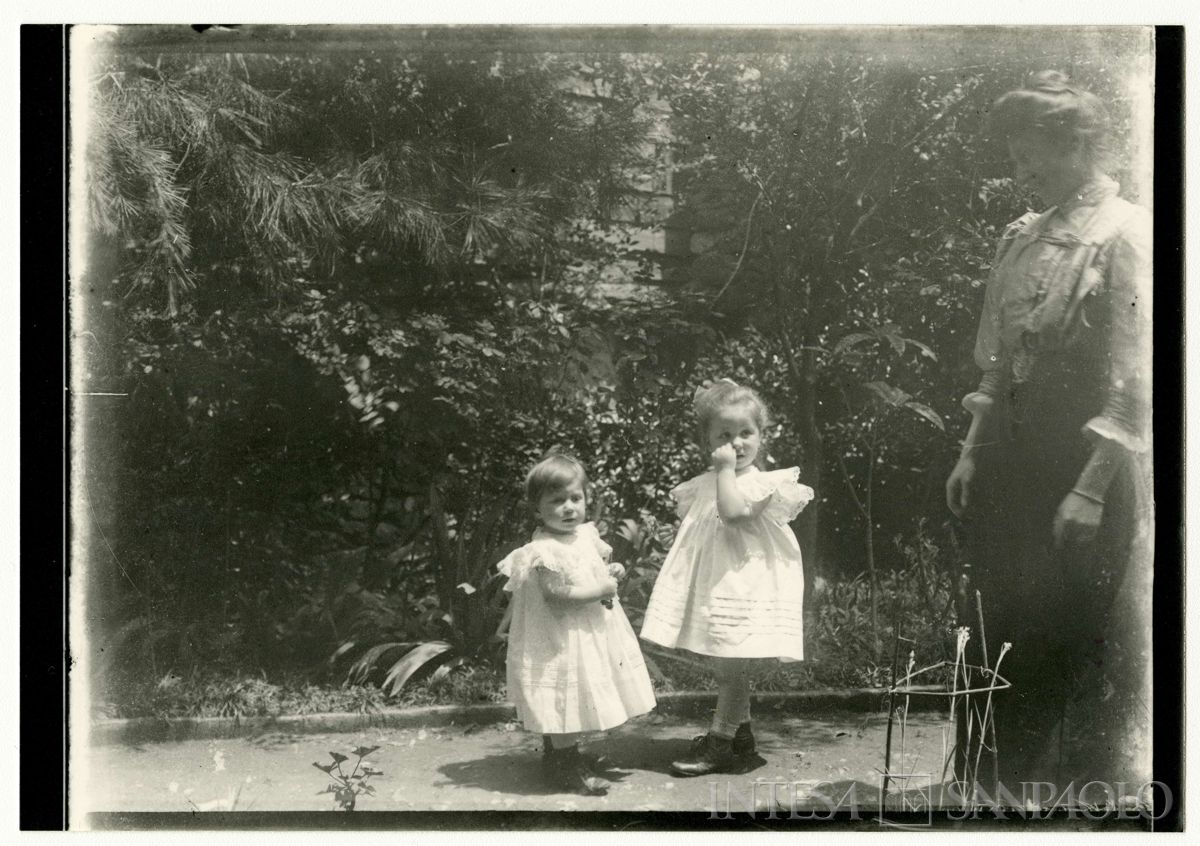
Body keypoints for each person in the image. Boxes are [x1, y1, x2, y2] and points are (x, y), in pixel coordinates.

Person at [945, 71, 1152, 789]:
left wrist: (1091, 491)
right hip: (1010, 453)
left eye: (1029, 154)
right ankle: (981, 789)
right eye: (1013, 157)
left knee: (1060, 627)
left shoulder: (1123, 232)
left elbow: (1135, 379)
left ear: (1076, 146)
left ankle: (1047, 799)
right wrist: (974, 452)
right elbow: (999, 361)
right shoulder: (1022, 236)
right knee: (996, 614)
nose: (1019, 171)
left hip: (1083, 458)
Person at [641, 379, 813, 776]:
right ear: (708, 439)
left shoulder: (766, 483)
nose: (736, 443)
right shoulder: (706, 483)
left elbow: (734, 514)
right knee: (727, 668)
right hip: (716, 587)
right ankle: (741, 737)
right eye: (724, 434)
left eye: (745, 433)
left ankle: (720, 743)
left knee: (730, 668)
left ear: (761, 436)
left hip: (745, 588)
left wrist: (723, 471)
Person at [495, 452, 656, 795]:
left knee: (577, 692)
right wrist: (600, 589)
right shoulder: (542, 550)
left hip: (586, 632)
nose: (569, 507)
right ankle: (564, 765)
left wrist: (610, 571)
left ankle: (563, 756)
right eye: (557, 501)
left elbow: (592, 565)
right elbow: (557, 595)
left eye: (575, 498)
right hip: (560, 636)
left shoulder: (584, 535)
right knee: (564, 694)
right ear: (537, 510)